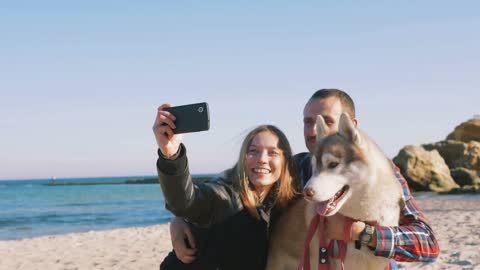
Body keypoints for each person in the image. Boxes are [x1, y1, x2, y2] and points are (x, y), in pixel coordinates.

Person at [169, 89, 440, 269]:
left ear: (351, 127)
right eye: (307, 121)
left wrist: (361, 232)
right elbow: (228, 185)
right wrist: (182, 217)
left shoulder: (382, 176)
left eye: (325, 121)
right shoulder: (295, 167)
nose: (313, 131)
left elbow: (428, 245)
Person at [153, 103, 297, 270]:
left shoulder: (284, 202)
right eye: (253, 151)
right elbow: (187, 203)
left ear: (285, 161)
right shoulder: (227, 196)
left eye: (273, 153)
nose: (262, 159)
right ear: (244, 158)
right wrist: (171, 155)